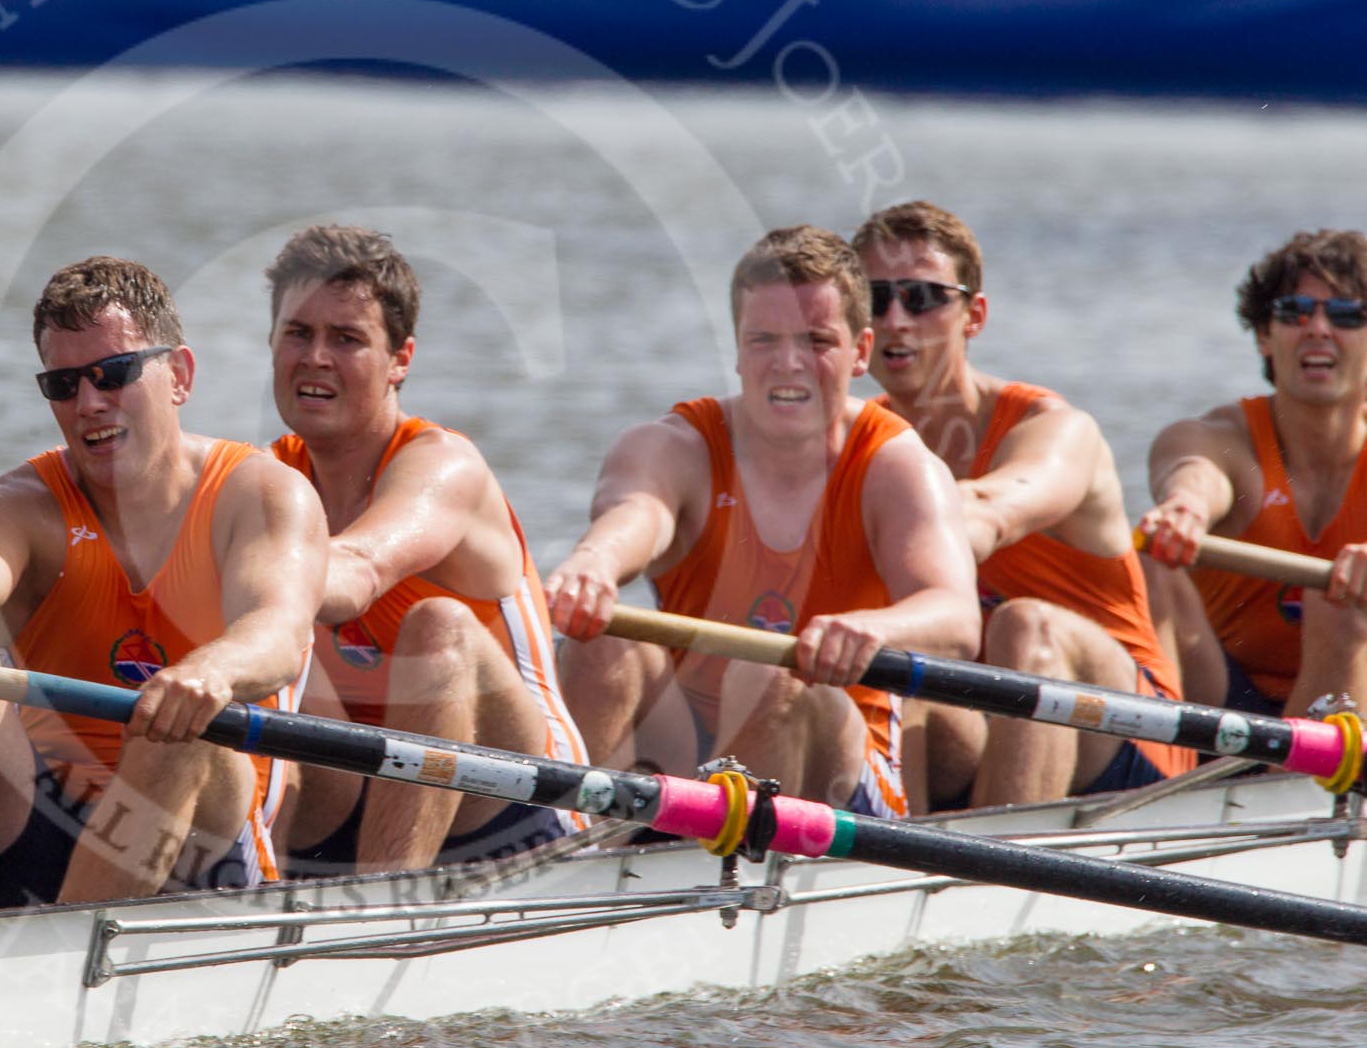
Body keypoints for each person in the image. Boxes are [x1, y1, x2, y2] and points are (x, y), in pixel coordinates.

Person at [0, 257, 326, 914]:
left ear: (180, 376)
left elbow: (279, 632)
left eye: (113, 374)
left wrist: (211, 672)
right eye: (63, 384)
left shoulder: (259, 494)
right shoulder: (15, 506)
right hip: (43, 819)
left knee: (176, 722)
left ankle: (61, 961)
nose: (89, 404)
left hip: (201, 841)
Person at [545, 225, 981, 815]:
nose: (788, 364)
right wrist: (594, 563)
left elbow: (955, 615)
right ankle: (567, 853)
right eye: (764, 340)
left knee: (768, 674)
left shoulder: (897, 464)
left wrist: (874, 627)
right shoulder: (672, 445)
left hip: (837, 762)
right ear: (737, 348)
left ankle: (715, 871)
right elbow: (637, 511)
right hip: (688, 745)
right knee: (601, 645)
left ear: (860, 351)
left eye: (816, 341)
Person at [262, 225, 589, 877]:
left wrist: (220, 560)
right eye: (298, 333)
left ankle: (382, 906)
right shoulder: (268, 476)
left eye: (347, 339)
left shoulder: (443, 467)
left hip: (514, 804)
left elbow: (356, 573)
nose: (315, 357)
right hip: (352, 792)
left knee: (436, 628)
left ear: (400, 360)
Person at [853, 202, 1194, 810]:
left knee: (1025, 625)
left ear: (973, 315)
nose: (898, 320)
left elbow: (989, 510)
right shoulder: (854, 441)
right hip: (982, 721)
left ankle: (998, 873)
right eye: (877, 299)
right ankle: (881, 864)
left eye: (923, 297)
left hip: (1126, 736)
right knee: (896, 663)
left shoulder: (1056, 430)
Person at [1139, 229, 1367, 720]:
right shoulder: (1217, 437)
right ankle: (1165, 762)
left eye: (1347, 314)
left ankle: (1305, 776)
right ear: (1265, 335)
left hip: (1349, 704)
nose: (1318, 329)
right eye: (1294, 312)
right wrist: (1185, 508)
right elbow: (1195, 472)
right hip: (1221, 699)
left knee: (1339, 602)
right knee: (1152, 562)